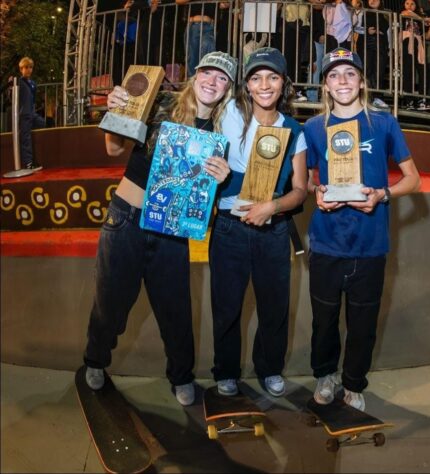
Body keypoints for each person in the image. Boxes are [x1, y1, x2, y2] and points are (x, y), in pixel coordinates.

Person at [83, 51, 237, 406]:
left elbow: (207, 192)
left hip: (172, 228)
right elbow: (113, 148)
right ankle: (95, 361)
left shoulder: (222, 131)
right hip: (126, 219)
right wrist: (118, 109)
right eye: (208, 73)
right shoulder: (159, 101)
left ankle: (181, 376)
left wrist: (220, 178)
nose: (212, 82)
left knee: (176, 309)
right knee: (110, 302)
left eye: (222, 78)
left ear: (228, 88)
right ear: (195, 75)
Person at [303, 47, 421, 410]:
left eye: (350, 74)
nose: (343, 81)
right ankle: (325, 375)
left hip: (370, 244)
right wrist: (317, 193)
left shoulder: (384, 123)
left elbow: (413, 179)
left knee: (363, 323)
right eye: (334, 75)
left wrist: (382, 195)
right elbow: (308, 180)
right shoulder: (312, 128)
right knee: (323, 321)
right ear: (325, 85)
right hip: (326, 243)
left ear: (362, 81)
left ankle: (354, 382)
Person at [209, 47, 308, 397]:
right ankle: (226, 371)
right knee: (226, 307)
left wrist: (273, 207)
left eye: (272, 77)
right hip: (229, 230)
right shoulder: (228, 114)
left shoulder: (295, 130)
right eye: (256, 78)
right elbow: (193, 107)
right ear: (246, 85)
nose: (264, 84)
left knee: (274, 308)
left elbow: (300, 191)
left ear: (284, 84)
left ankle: (269, 369)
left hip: (273, 232)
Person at [354, 0, 391, 109]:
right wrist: (366, 30)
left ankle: (377, 97)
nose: (373, 0)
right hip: (366, 43)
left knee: (379, 70)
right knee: (366, 70)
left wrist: (390, 48)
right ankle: (365, 97)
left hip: (381, 45)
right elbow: (355, 27)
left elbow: (389, 33)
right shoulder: (361, 12)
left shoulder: (386, 14)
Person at [399, 0, 430, 111]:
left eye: (412, 4)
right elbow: (407, 13)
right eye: (407, 3)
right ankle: (409, 101)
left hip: (419, 44)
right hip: (406, 42)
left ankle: (421, 100)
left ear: (416, 6)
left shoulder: (419, 20)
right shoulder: (403, 14)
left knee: (423, 71)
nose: (409, 6)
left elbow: (427, 37)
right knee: (408, 71)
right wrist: (424, 19)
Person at [16, 57, 46, 171]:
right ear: (21, 69)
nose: (28, 70)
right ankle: (28, 163)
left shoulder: (32, 83)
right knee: (25, 138)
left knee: (44, 123)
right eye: (26, 67)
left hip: (32, 112)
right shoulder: (19, 82)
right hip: (24, 114)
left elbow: (33, 98)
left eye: (30, 67)